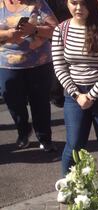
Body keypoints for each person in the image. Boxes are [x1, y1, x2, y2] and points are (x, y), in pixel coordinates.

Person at [52, 0, 98, 181]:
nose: (78, 8)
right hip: (74, 94)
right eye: (73, 3)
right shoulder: (61, 30)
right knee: (74, 142)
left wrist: (91, 95)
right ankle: (69, 182)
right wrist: (77, 94)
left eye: (83, 4)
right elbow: (60, 67)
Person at [0, 0, 57, 151]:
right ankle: (23, 131)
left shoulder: (38, 3)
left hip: (39, 63)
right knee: (14, 104)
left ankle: (44, 137)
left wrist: (35, 29)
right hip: (7, 63)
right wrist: (6, 34)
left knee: (40, 103)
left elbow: (56, 29)